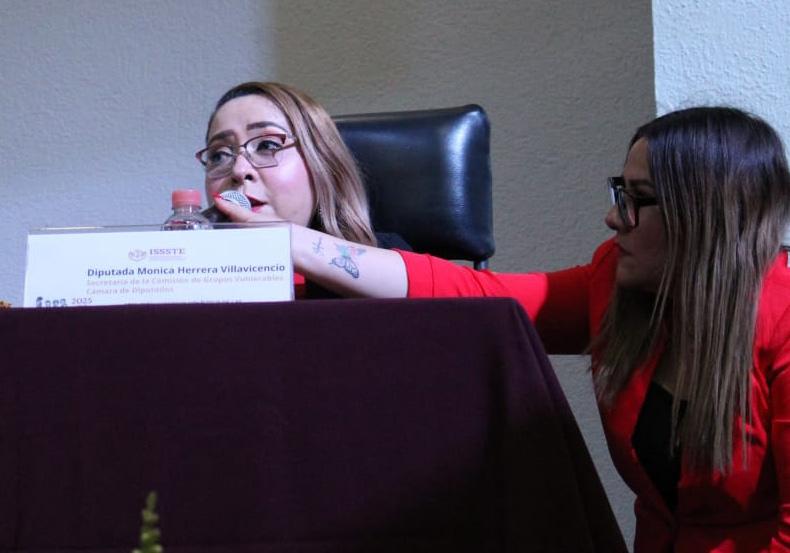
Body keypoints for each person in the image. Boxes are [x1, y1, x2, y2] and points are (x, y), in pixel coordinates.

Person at [213, 106, 790, 552]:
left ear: (706, 216)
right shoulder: (614, 285)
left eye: (638, 199)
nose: (615, 217)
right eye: (621, 193)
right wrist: (292, 242)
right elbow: (474, 296)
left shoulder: (782, 323)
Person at [196, 81, 410, 298]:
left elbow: (434, 285)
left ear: (321, 164)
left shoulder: (382, 253)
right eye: (219, 155)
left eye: (267, 145)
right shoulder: (191, 270)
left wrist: (281, 240)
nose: (239, 170)